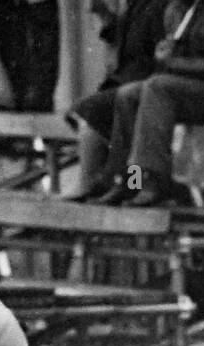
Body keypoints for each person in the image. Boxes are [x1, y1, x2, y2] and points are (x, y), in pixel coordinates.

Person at [94, 0, 204, 207]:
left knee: (158, 87)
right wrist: (169, 52)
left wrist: (173, 62)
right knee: (128, 95)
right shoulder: (186, 11)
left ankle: (153, 182)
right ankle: (131, 181)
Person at [64, 0, 171, 201]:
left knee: (94, 110)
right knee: (93, 112)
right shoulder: (135, 6)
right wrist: (105, 15)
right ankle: (114, 182)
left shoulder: (160, 7)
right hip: (128, 85)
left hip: (144, 84)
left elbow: (162, 56)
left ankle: (121, 183)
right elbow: (123, 41)